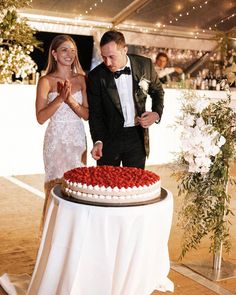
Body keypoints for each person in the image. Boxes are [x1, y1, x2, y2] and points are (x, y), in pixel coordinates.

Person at [87, 30, 164, 169]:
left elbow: (158, 91)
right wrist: (97, 141)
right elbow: (95, 114)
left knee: (135, 185)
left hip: (137, 137)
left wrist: (156, 113)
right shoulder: (95, 76)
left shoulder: (145, 65)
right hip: (108, 138)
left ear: (124, 50)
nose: (108, 62)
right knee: (107, 187)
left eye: (111, 56)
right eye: (104, 57)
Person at [36, 34, 89, 226]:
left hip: (77, 140)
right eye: (64, 50)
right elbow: (41, 118)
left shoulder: (82, 80)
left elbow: (86, 115)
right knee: (56, 188)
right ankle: (51, 237)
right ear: (54, 53)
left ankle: (74, 235)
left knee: (78, 187)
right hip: (56, 141)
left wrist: (71, 100)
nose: (69, 54)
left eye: (72, 50)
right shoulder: (46, 81)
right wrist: (60, 98)